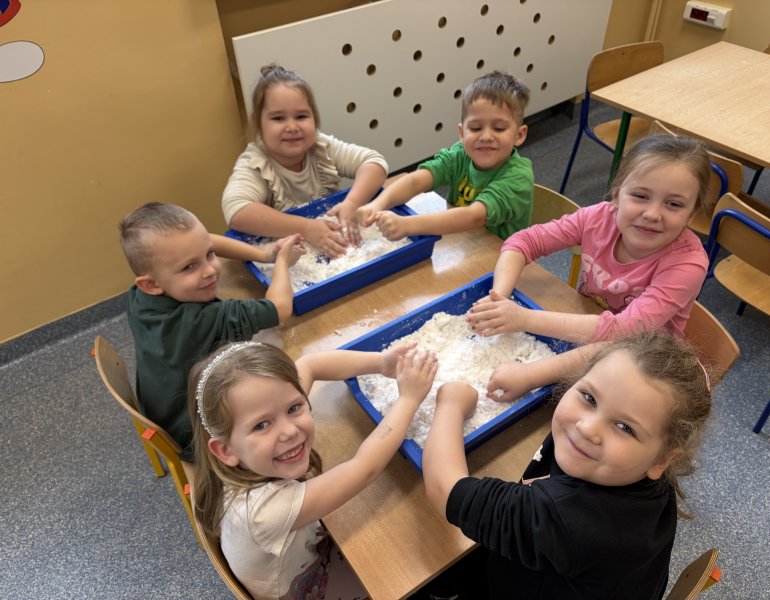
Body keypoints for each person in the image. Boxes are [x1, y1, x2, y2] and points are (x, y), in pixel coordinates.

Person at [422, 332, 713, 600]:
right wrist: (531, 374)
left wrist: (451, 404)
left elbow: (444, 490)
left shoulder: (567, 519)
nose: (587, 428)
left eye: (624, 427)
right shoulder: (639, 467)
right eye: (589, 397)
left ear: (663, 459)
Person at [465, 134, 712, 401]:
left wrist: (524, 320)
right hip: (585, 329)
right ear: (616, 194)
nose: (652, 214)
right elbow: (523, 242)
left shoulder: (688, 263)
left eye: (674, 204)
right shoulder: (598, 218)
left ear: (692, 214)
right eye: (640, 196)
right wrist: (499, 299)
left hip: (644, 364)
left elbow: (624, 333)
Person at [188, 340, 438, 600]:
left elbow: (310, 365)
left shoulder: (236, 451)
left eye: (293, 408)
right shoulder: (262, 513)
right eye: (261, 426)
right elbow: (364, 468)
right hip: (312, 587)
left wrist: (381, 362)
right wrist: (409, 399)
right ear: (225, 450)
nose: (289, 430)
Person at [119, 202, 305, 459]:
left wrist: (264, 255)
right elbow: (280, 308)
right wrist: (282, 261)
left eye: (209, 254)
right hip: (199, 437)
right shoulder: (203, 320)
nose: (210, 270)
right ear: (150, 284)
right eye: (189, 267)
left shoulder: (138, 297)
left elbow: (206, 240)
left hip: (164, 412)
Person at [221, 63, 389, 257]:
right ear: (259, 124)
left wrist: (352, 203)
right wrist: (306, 228)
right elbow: (237, 211)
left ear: (314, 119)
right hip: (286, 255)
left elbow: (375, 163)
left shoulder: (320, 147)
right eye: (278, 118)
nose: (292, 127)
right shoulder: (256, 164)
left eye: (301, 116)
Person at [358, 70, 533, 241]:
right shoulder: (461, 154)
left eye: (499, 128)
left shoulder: (518, 177)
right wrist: (377, 204)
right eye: (476, 128)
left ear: (519, 135)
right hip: (463, 242)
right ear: (462, 133)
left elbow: (474, 217)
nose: (486, 136)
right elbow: (416, 181)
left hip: (500, 254)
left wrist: (406, 225)